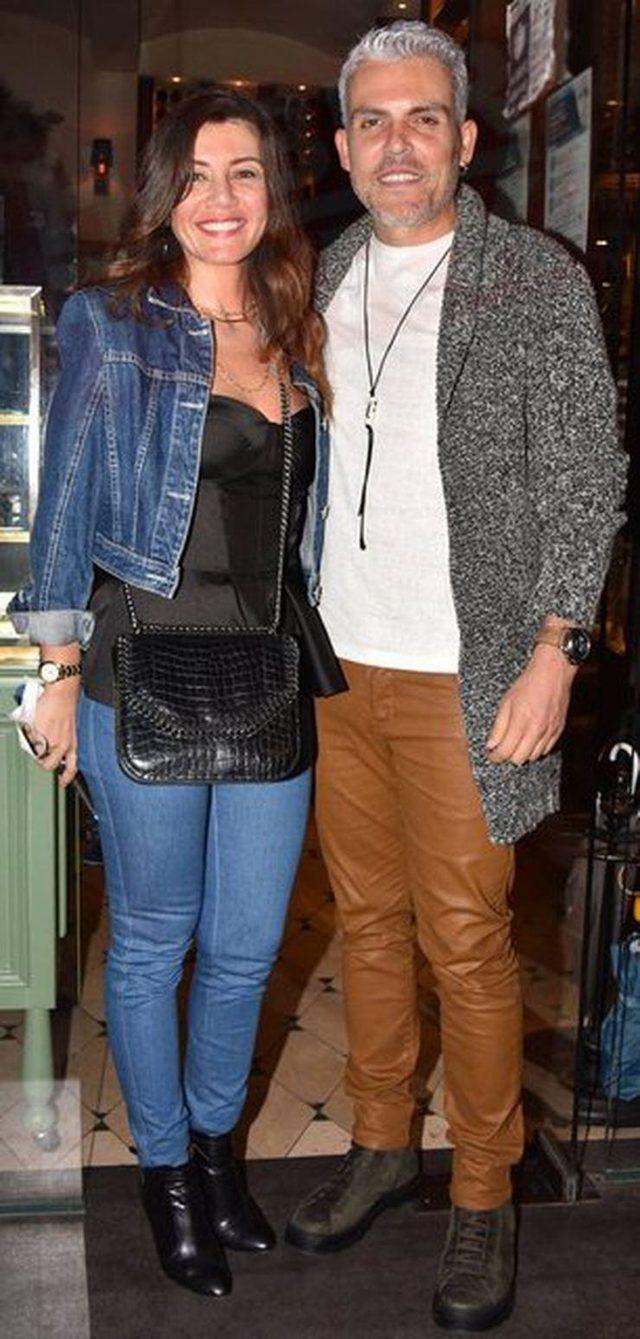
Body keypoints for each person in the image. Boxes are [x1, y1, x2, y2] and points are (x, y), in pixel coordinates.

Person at [284, 22, 626, 1332]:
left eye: (422, 118)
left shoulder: (531, 280)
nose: (397, 144)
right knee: (367, 921)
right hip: (339, 662)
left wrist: (557, 649)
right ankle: (382, 1143)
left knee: (468, 940)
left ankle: (484, 1191)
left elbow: (588, 478)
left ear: (466, 139)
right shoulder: (324, 273)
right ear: (343, 145)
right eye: (372, 121)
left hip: (468, 673)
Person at [8, 90, 344, 1299]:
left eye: (243, 172)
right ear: (165, 193)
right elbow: (65, 500)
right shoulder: (113, 321)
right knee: (155, 939)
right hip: (139, 661)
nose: (220, 198)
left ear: (273, 191)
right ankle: (163, 1176)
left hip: (267, 667)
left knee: (246, 946)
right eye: (196, 175)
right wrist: (52, 670)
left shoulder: (298, 322)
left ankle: (214, 1155)